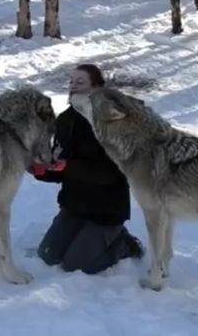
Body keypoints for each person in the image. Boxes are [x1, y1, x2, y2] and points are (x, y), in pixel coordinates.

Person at [30, 64, 144, 275]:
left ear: (97, 88)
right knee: (47, 255)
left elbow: (110, 173)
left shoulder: (112, 120)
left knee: (77, 265)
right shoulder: (65, 119)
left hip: (106, 211)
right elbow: (59, 163)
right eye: (71, 81)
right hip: (74, 206)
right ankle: (84, 235)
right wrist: (41, 169)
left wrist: (68, 166)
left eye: (80, 82)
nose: (73, 86)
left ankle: (122, 243)